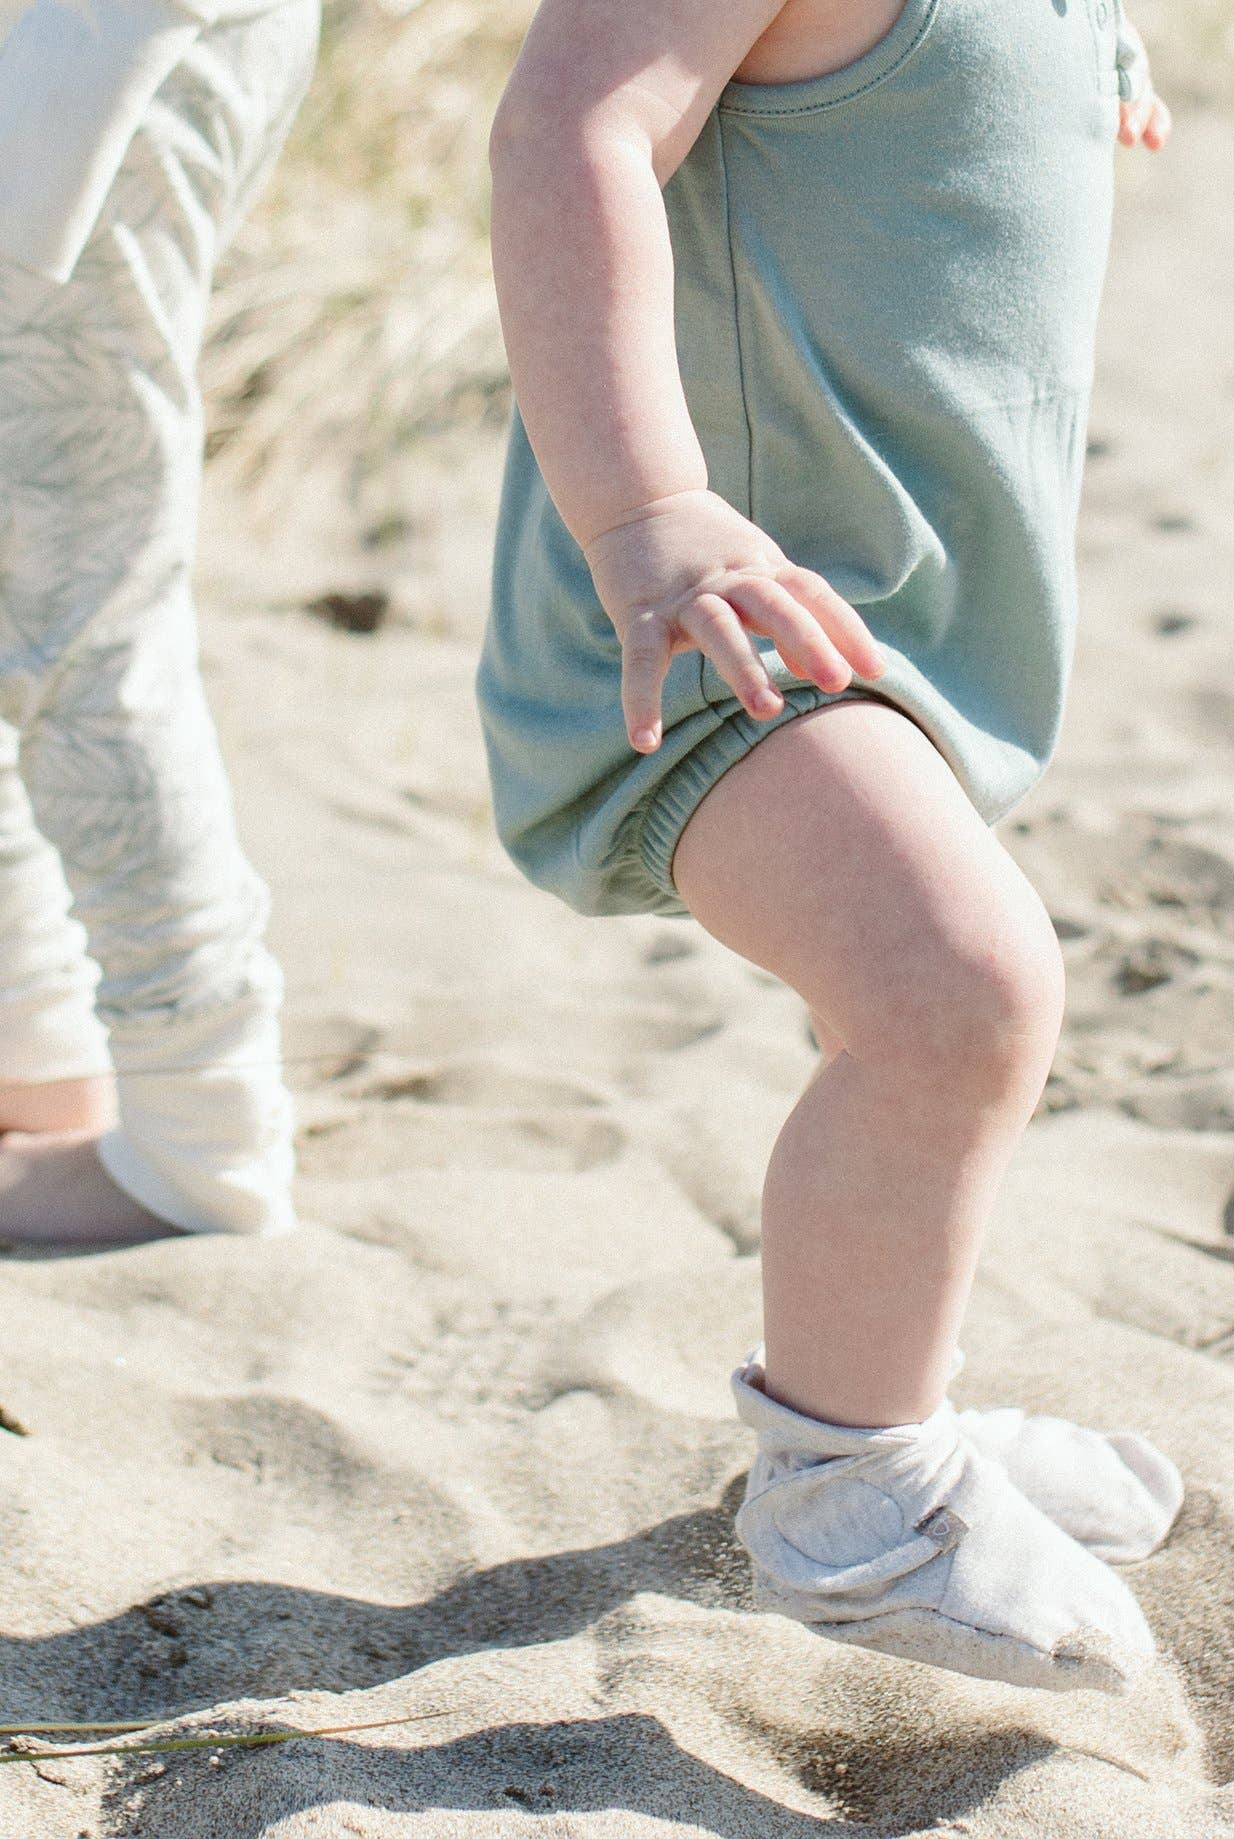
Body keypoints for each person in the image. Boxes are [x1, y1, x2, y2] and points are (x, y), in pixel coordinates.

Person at [481, 0, 1179, 1692]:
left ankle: (891, 1383)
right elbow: (569, 132)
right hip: (704, 627)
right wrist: (646, 515)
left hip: (900, 613)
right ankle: (857, 1490)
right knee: (956, 991)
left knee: (918, 1008)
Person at [0, 0, 319, 1242]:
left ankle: (201, 1135)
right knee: (38, 585)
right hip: (94, 53)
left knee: (85, 607)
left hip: (113, 55)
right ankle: (40, 1050)